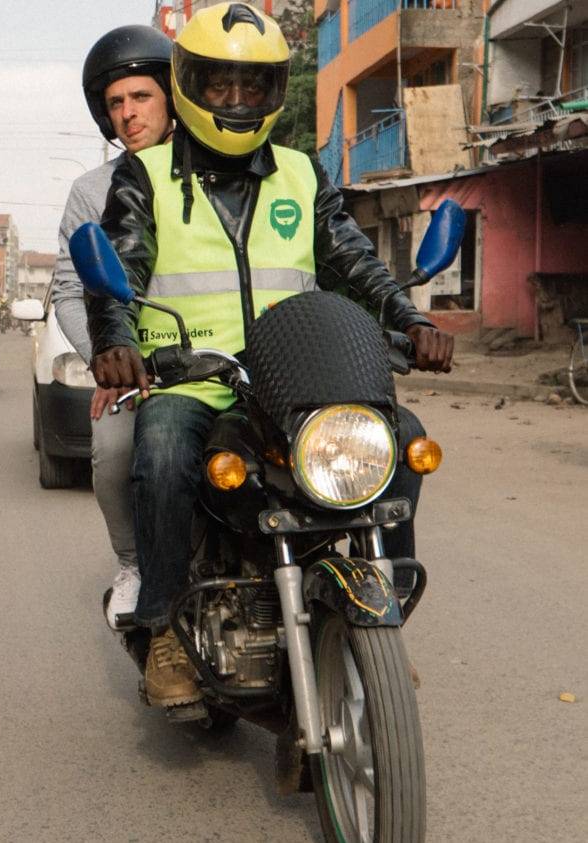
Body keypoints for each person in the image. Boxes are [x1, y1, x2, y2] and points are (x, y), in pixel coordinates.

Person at [88, 2, 453, 708]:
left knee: (401, 439)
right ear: (189, 85)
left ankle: (378, 616)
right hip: (193, 378)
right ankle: (162, 624)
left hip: (297, 372)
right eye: (219, 85)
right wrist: (116, 342)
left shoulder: (300, 170)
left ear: (273, 92)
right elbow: (121, 272)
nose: (235, 101)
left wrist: (410, 318)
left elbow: (352, 259)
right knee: (160, 449)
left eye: (251, 86)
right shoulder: (145, 175)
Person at [52, 23, 176, 628]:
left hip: (222, 361)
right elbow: (69, 290)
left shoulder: (211, 173)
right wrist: (108, 356)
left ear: (173, 96)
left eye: (141, 97)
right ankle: (132, 563)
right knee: (114, 447)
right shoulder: (91, 190)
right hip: (136, 370)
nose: (128, 113)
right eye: (116, 104)